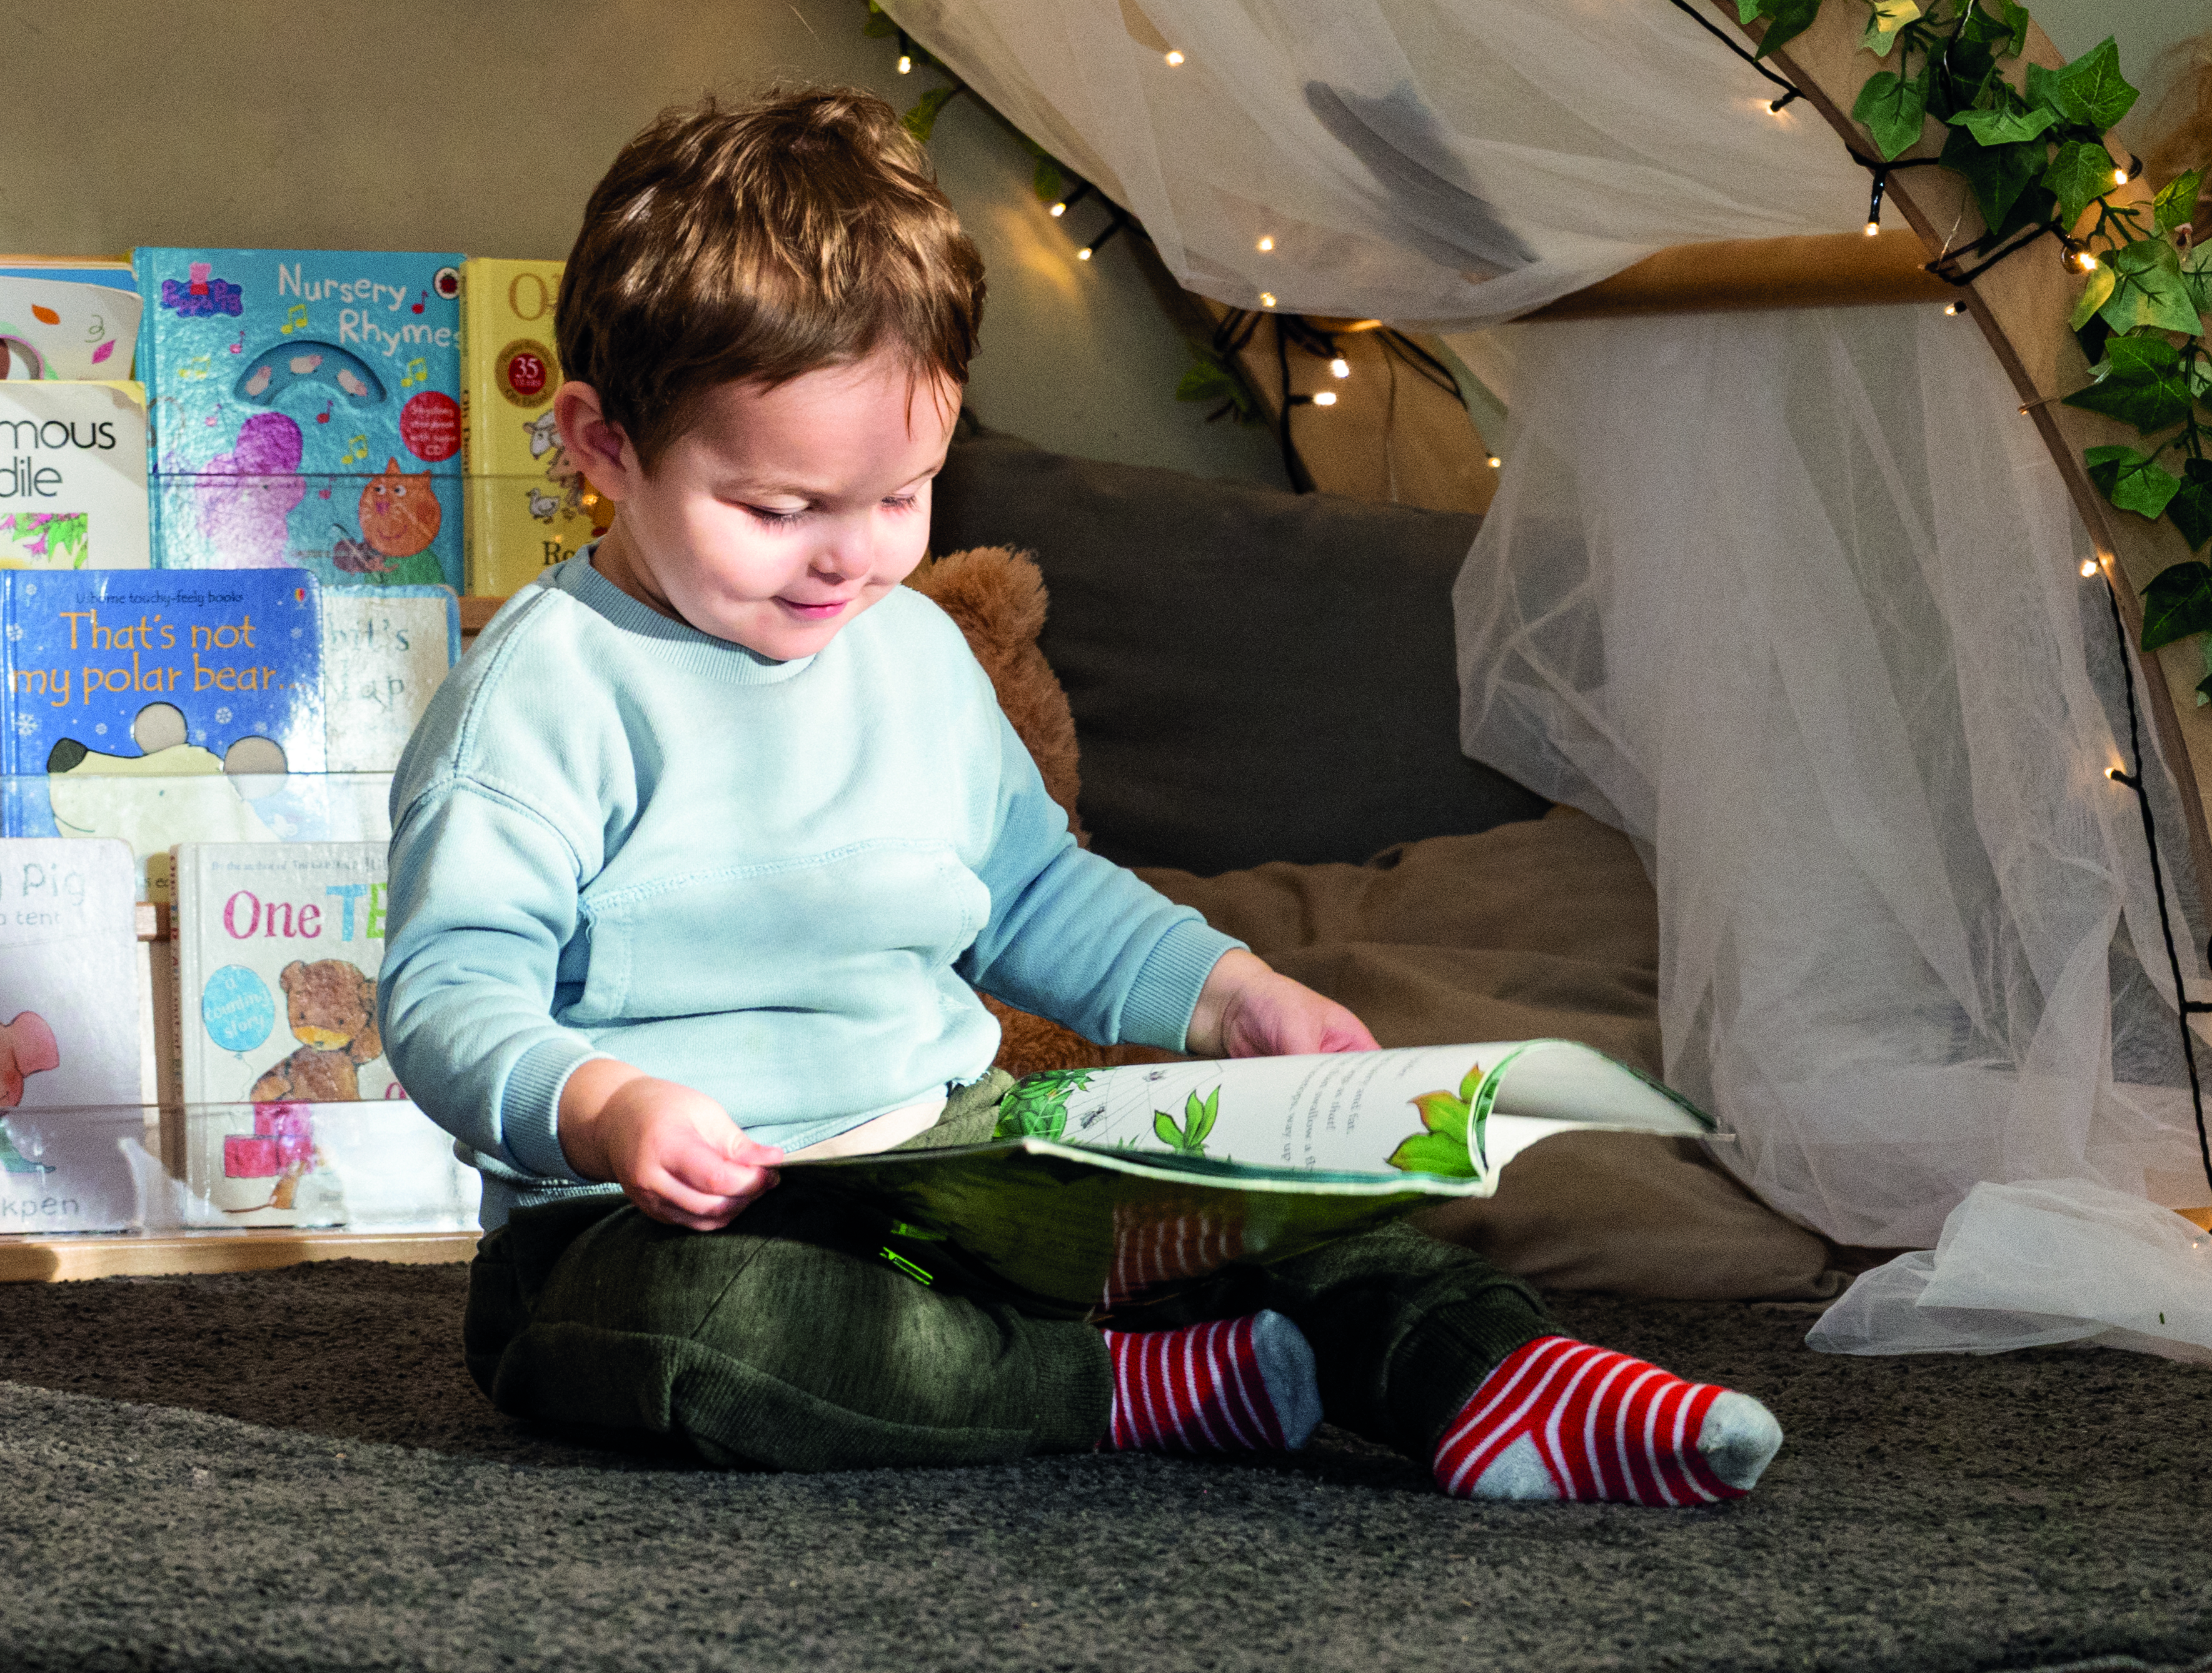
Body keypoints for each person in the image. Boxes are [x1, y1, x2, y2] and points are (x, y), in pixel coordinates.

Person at [377, 86, 1781, 1497]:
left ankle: (1493, 1378)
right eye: (776, 509)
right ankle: (1131, 1387)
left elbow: (1034, 891)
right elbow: (449, 997)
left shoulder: (914, 648)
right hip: (640, 1220)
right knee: (710, 1338)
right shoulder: (543, 697)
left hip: (939, 1161)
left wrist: (1230, 993)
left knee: (1276, 1211)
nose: (847, 559)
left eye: (902, 494)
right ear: (603, 444)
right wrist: (607, 1105)